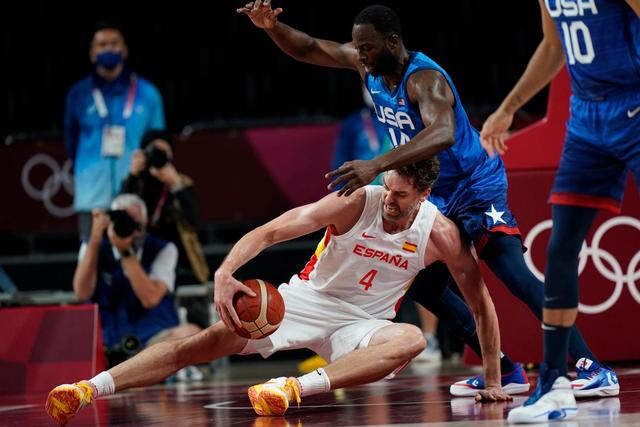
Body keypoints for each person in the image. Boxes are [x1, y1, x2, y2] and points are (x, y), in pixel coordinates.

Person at [237, 1, 617, 398]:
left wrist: (376, 164)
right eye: (357, 48)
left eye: (367, 48)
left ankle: (591, 365)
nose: (360, 56)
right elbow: (308, 47)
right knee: (421, 284)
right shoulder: (368, 66)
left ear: (392, 42)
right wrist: (272, 27)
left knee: (511, 272)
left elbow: (443, 133)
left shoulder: (425, 80)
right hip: (434, 190)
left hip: (473, 185)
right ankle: (505, 370)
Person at [45, 160, 511, 425]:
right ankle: (87, 389)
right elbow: (271, 231)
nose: (389, 199)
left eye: (401, 195)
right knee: (197, 345)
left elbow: (482, 307)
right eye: (387, 188)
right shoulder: (357, 201)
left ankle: (289, 389)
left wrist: (492, 379)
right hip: (307, 299)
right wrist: (226, 271)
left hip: (364, 324)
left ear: (424, 194)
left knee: (410, 338)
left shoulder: (440, 234)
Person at [480, 0, 638, 422]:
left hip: (634, 104)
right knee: (561, 246)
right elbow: (553, 46)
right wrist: (508, 107)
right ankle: (554, 386)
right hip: (587, 116)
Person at [72, 193, 199, 368]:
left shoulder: (164, 249)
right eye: (124, 222)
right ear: (110, 222)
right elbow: (81, 292)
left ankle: (143, 366)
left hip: (151, 338)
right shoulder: (93, 244)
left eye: (136, 225)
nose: (131, 231)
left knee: (191, 334)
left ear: (145, 225)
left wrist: (125, 252)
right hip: (105, 338)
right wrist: (95, 238)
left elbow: (150, 298)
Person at [64, 23, 165, 240]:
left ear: (124, 50)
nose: (108, 48)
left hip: (134, 196)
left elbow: (157, 142)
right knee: (92, 256)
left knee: (134, 256)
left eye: (114, 43)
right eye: (102, 45)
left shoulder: (148, 94)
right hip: (92, 196)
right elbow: (71, 143)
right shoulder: (78, 94)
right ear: (92, 53)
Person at [120, 129, 210, 328]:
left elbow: (195, 222)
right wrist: (132, 176)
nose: (158, 156)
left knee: (196, 322)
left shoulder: (181, 181)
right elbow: (120, 210)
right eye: (154, 151)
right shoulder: (137, 182)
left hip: (184, 263)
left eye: (164, 152)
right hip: (145, 259)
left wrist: (176, 184)